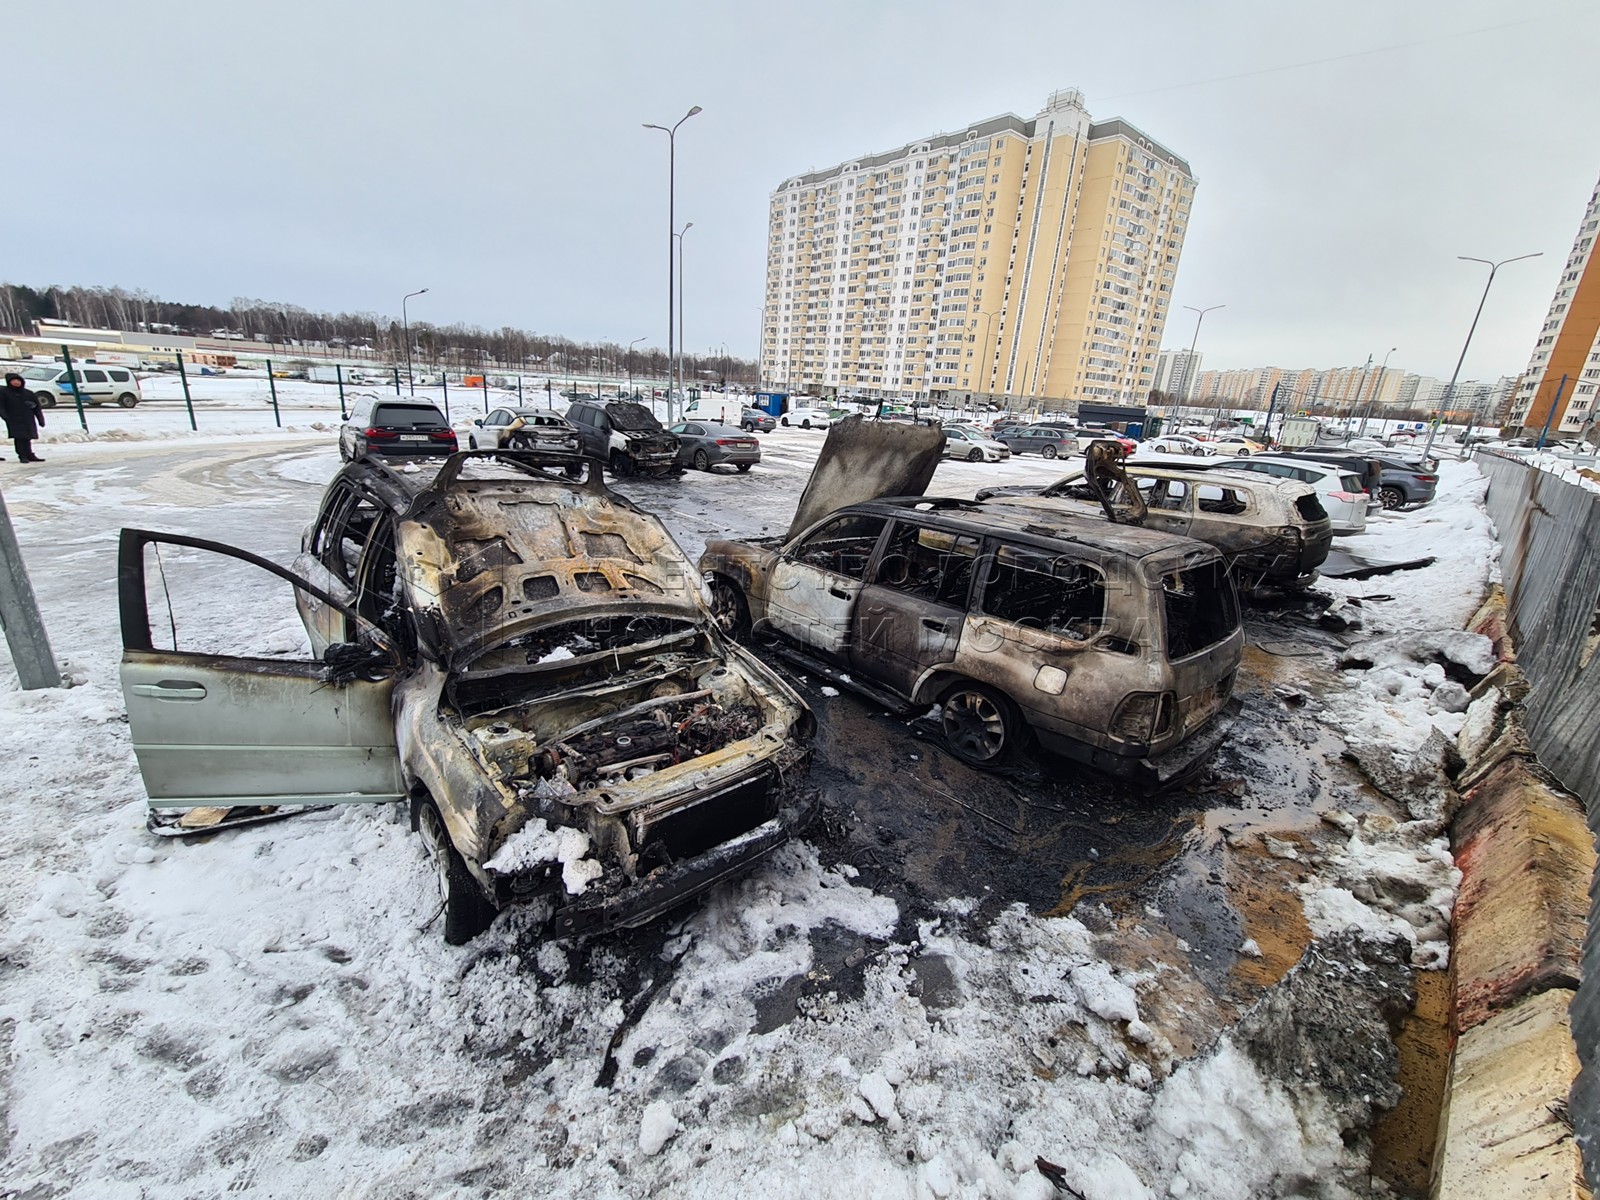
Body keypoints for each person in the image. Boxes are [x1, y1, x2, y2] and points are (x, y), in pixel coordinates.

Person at [2, 373, 45, 462]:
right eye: (14, 381)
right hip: (13, 418)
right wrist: (4, 416)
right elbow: (1, 406)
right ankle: (22, 455)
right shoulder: (4, 393)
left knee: (27, 437)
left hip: (27, 418)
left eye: (18, 381)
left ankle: (29, 454)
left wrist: (40, 419)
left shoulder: (28, 393)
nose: (16, 383)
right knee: (19, 438)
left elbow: (37, 407)